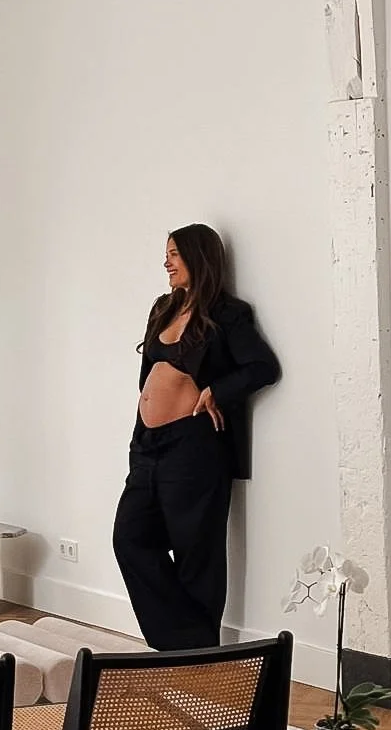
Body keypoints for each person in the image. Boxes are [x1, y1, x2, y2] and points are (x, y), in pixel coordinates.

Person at [112, 224, 279, 653]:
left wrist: (216, 391)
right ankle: (189, 646)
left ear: (197, 257)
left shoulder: (227, 313)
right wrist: (138, 441)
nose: (166, 262)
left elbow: (262, 366)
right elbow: (147, 378)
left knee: (195, 553)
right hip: (148, 445)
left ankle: (193, 653)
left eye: (174, 254)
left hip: (193, 446)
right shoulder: (163, 309)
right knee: (129, 538)